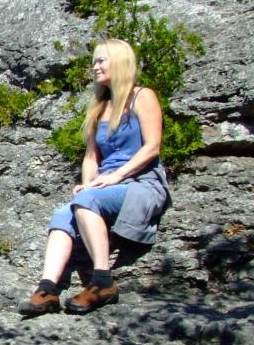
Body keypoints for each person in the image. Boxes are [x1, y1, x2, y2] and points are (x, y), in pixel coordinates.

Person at [19, 38, 170, 316]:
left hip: (141, 183)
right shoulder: (100, 108)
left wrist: (115, 177)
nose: (95, 67)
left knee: (87, 201)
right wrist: (88, 184)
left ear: (119, 61)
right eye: (94, 62)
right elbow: (91, 157)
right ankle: (47, 288)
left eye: (101, 60)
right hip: (107, 186)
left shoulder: (142, 96)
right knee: (63, 214)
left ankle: (102, 281)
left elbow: (152, 147)